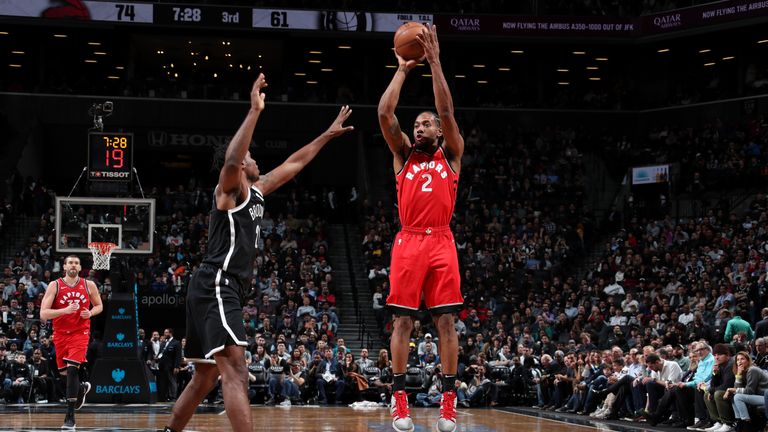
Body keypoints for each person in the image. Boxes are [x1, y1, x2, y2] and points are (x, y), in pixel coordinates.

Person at [164, 74, 353, 432]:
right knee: (236, 369)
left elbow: (295, 163)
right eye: (251, 156)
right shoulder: (229, 192)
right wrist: (254, 110)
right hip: (216, 282)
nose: (254, 159)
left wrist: (327, 135)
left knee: (205, 377)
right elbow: (233, 159)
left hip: (221, 287)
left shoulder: (260, 189)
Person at [377, 23, 464, 432]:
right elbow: (384, 114)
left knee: (446, 322)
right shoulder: (402, 156)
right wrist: (402, 69)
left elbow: (446, 111)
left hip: (441, 240)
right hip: (409, 240)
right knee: (403, 323)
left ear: (438, 132)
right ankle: (399, 400)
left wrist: (435, 63)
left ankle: (448, 401)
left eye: (426, 124)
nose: (419, 127)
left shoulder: (452, 154)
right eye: (417, 125)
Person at [39, 255, 103, 430]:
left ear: (80, 266)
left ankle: (70, 417)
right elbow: (43, 314)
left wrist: (90, 313)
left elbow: (99, 306)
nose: (73, 265)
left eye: (76, 263)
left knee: (73, 369)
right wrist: (65, 310)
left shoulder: (89, 285)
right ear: (65, 266)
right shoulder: (55, 285)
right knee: (64, 375)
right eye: (70, 263)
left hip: (80, 333)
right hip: (60, 335)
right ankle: (81, 389)